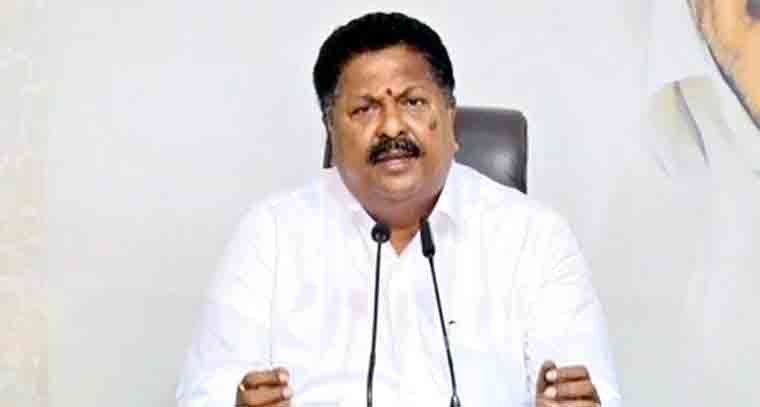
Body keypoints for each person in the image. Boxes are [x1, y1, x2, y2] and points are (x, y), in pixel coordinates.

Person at [177, 12, 620, 406]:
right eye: (364, 109)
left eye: (412, 102)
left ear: (450, 117)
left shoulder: (534, 237)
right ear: (330, 128)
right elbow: (205, 392)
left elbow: (592, 389)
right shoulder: (271, 236)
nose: (391, 127)